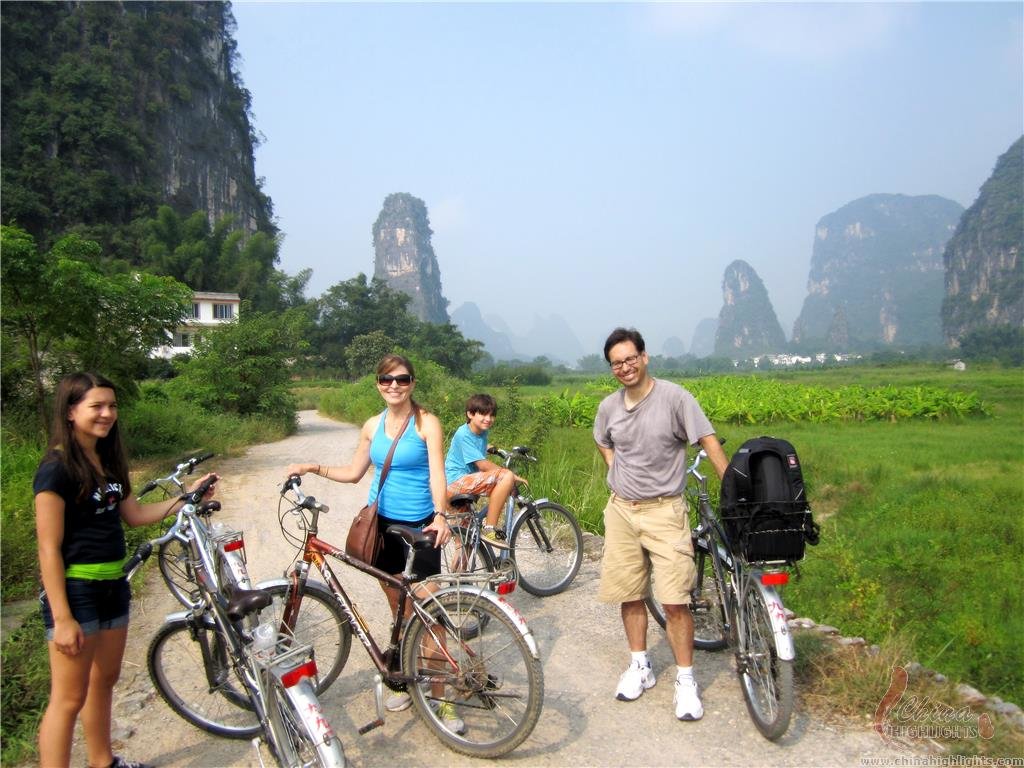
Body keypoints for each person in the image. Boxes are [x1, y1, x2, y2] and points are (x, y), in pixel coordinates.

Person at [35, 372, 217, 768]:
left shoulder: (109, 461)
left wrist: (188, 499)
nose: (106, 414)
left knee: (105, 680)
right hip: (76, 590)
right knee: (68, 698)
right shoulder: (56, 469)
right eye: (96, 406)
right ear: (70, 411)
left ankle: (103, 761)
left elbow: (134, 515)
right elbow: (48, 548)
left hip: (113, 585)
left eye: (112, 406)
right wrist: (63, 617)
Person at [284, 354, 464, 731]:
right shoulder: (372, 425)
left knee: (429, 611)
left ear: (413, 382)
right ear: (378, 383)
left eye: (401, 379)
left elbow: (437, 475)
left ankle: (442, 697)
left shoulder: (426, 423)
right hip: (381, 526)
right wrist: (311, 467)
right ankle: (400, 674)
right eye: (386, 379)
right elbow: (353, 473)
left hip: (419, 528)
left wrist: (441, 515)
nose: (394, 386)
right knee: (397, 604)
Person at [592, 328, 729, 722]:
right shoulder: (609, 407)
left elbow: (707, 440)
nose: (624, 367)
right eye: (616, 363)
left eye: (630, 358)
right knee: (630, 593)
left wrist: (733, 488)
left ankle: (686, 680)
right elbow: (602, 438)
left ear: (645, 357)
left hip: (664, 511)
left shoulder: (675, 398)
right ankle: (640, 665)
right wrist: (612, 465)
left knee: (675, 600)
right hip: (620, 510)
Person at [444, 393, 526, 549]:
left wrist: (493, 449)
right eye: (483, 414)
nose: (488, 419)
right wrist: (511, 476)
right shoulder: (463, 434)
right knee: (506, 477)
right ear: (470, 414)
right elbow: (482, 465)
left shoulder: (480, 431)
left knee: (465, 543)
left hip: (461, 485)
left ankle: (458, 572)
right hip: (456, 483)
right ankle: (490, 528)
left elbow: (479, 445)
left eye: (492, 415)